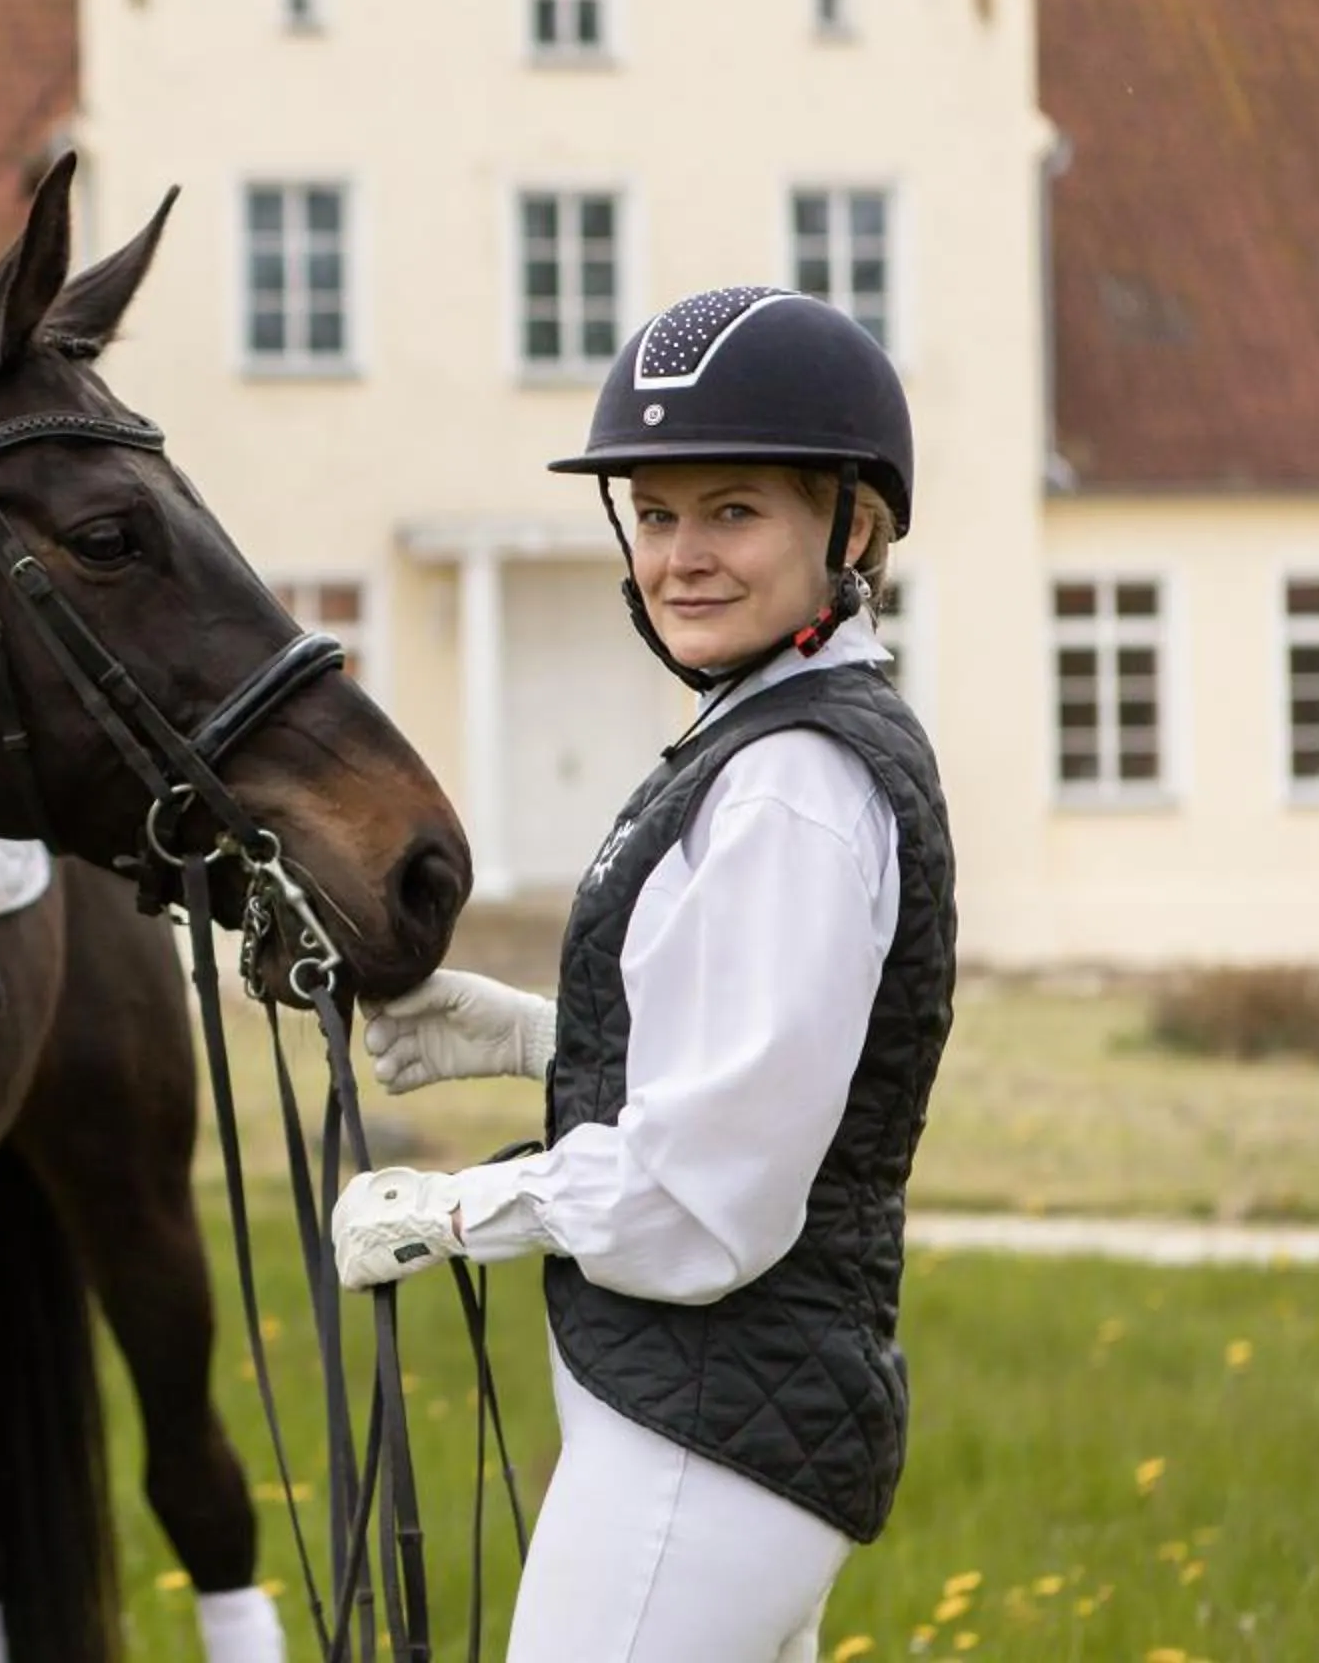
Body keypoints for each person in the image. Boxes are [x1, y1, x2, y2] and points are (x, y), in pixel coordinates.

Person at [328, 286, 957, 1663]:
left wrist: (456, 1209)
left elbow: (706, 1192)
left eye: (732, 512)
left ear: (850, 527)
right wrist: (533, 1041)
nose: (682, 557)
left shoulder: (791, 780)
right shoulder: (769, 740)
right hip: (705, 1420)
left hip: (713, 1435)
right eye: (658, 515)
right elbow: (750, 1052)